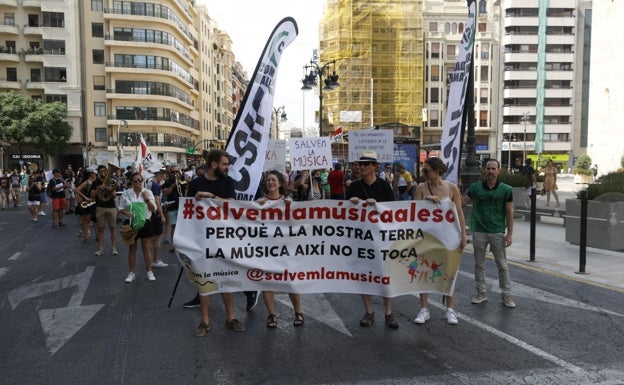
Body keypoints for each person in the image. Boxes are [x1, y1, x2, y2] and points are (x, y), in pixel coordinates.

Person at [186, 149, 246, 336]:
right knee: (205, 281)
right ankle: (204, 321)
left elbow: (231, 205)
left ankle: (231, 318)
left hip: (224, 238)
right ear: (214, 164)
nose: (227, 167)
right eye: (224, 164)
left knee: (226, 279)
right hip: (202, 239)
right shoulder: (196, 183)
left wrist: (211, 198)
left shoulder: (228, 182)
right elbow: (186, 209)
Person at [345, 150, 399, 329]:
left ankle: (389, 313)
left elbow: (393, 211)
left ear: (375, 167)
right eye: (360, 164)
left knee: (385, 276)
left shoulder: (384, 186)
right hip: (361, 239)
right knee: (364, 276)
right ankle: (369, 312)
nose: (361, 167)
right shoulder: (353, 186)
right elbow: (343, 214)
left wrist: (378, 206)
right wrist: (350, 204)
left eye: (366, 164)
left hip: (382, 240)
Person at [412, 157, 467, 325]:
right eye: (423, 170)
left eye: (426, 171)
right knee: (424, 270)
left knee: (450, 272)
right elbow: (412, 210)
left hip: (449, 236)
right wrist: (427, 201)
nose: (424, 173)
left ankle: (449, 310)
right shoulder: (422, 188)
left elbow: (458, 212)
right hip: (427, 237)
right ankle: (424, 309)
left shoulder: (452, 188)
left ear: (437, 171)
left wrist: (463, 235)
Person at [462, 159, 516, 308]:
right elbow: (461, 204)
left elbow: (509, 212)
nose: (491, 171)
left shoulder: (506, 189)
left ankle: (506, 295)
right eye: (488, 168)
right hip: (479, 230)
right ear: (484, 171)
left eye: (494, 169)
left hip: (497, 231)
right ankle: (481, 293)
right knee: (479, 264)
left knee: (502, 265)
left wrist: (510, 234)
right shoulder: (475, 188)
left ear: (499, 171)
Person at [257, 170, 304, 328]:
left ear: (280, 183)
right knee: (266, 282)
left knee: (291, 281)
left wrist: (292, 208)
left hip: (286, 248)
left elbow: (298, 225)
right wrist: (256, 207)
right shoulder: (259, 202)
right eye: (268, 180)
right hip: (266, 249)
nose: (270, 183)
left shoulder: (288, 202)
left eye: (273, 180)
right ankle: (271, 315)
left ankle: (298, 312)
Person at [119, 172, 157, 283]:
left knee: (146, 247)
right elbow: (120, 208)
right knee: (132, 249)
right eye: (135, 180)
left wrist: (147, 199)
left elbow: (153, 209)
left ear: (142, 181)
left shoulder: (148, 192)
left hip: (145, 222)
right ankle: (131, 273)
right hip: (131, 223)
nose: (138, 182)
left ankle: (149, 271)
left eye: (140, 180)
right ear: (131, 181)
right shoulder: (126, 193)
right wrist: (126, 213)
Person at [92, 165, 119, 256]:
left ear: (107, 172)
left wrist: (108, 189)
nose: (103, 173)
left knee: (113, 228)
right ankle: (100, 249)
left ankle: (113, 248)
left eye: (104, 171)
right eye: (101, 171)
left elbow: (114, 196)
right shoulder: (95, 182)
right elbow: (92, 195)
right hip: (100, 207)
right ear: (98, 172)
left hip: (111, 206)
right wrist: (99, 188)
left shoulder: (112, 182)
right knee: (100, 229)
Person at [148, 170, 168, 268]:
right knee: (158, 238)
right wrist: (162, 214)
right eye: (163, 177)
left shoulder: (149, 183)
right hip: (156, 214)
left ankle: (151, 259)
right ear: (160, 176)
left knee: (151, 238)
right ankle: (155, 260)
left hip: (150, 213)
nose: (164, 179)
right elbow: (157, 200)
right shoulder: (155, 185)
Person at [162, 165, 183, 252]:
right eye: (173, 172)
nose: (175, 174)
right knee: (174, 226)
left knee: (183, 227)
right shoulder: (167, 182)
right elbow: (166, 193)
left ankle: (182, 245)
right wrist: (174, 185)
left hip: (184, 206)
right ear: (169, 173)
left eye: (176, 171)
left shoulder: (183, 180)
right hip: (173, 206)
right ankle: (174, 245)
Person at [74, 168, 98, 243]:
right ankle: (86, 237)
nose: (96, 174)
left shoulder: (97, 181)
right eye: (94, 173)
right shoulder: (87, 182)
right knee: (86, 220)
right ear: (91, 174)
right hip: (88, 202)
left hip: (96, 201)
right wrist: (85, 197)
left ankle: (97, 236)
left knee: (96, 220)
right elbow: (77, 189)